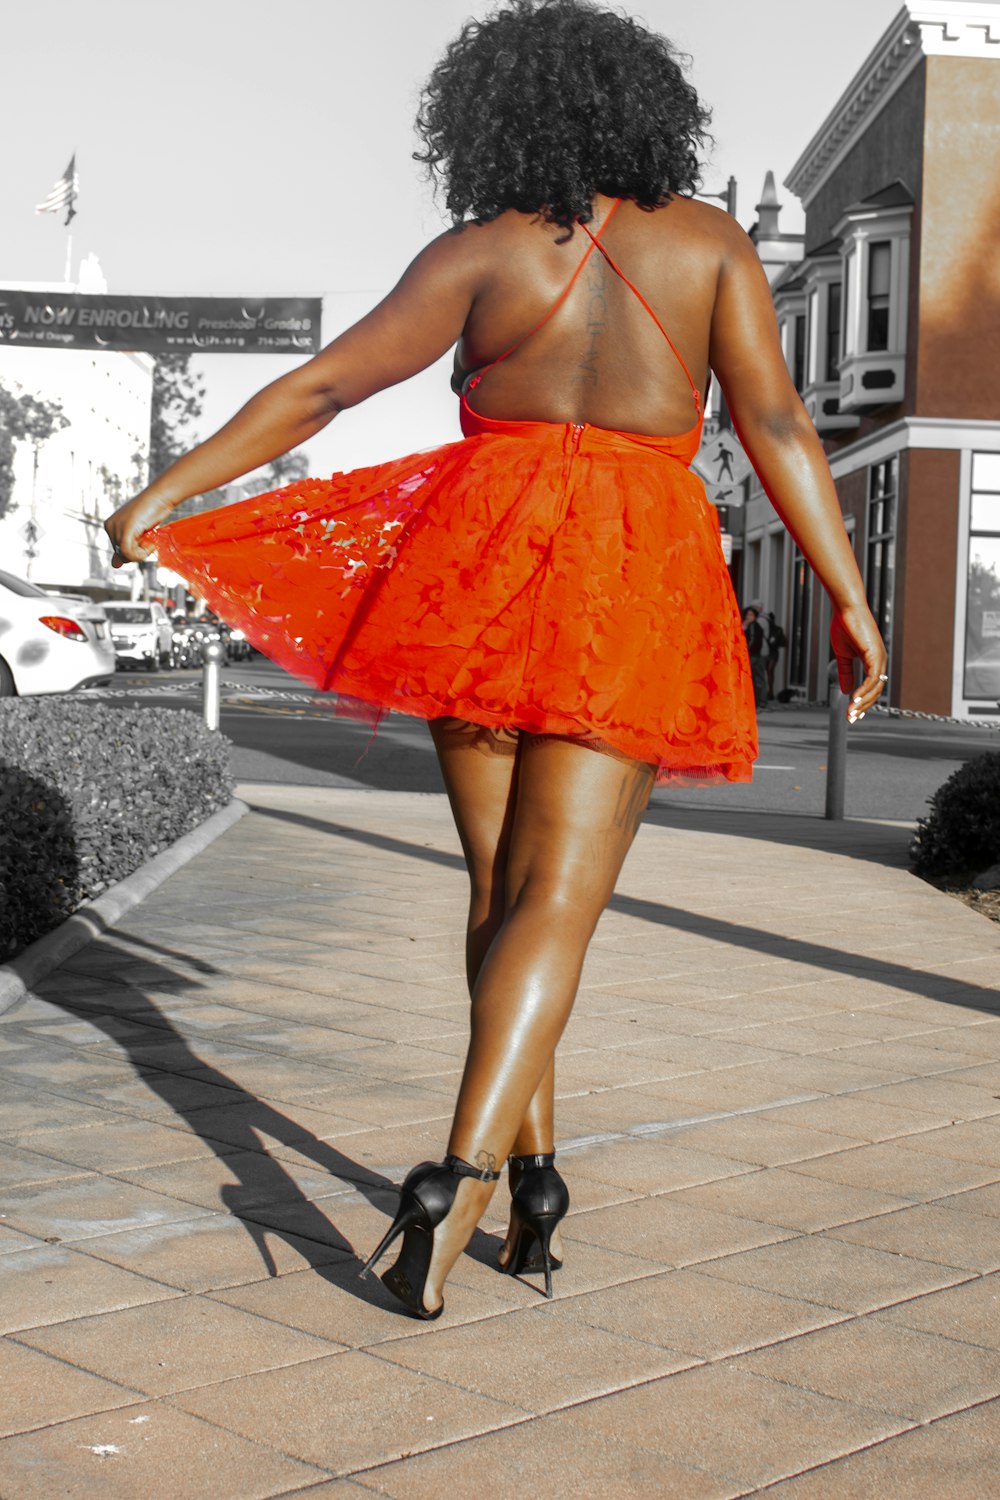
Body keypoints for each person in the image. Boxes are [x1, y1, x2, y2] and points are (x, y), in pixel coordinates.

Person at [105, 0, 887, 1320]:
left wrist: (162, 495)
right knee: (557, 906)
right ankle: (461, 1178)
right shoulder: (705, 245)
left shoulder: (480, 253)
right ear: (644, 106)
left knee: (498, 895)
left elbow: (319, 391)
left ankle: (538, 1185)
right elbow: (775, 426)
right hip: (629, 576)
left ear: (492, 115)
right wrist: (850, 598)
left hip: (477, 567)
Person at [743, 605, 768, 711]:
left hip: (753, 656)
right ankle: (760, 700)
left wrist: (746, 651)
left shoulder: (753, 626)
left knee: (756, 679)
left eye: (751, 614)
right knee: (759, 679)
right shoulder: (753, 626)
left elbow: (752, 640)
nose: (748, 616)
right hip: (756, 655)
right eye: (747, 614)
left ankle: (759, 701)